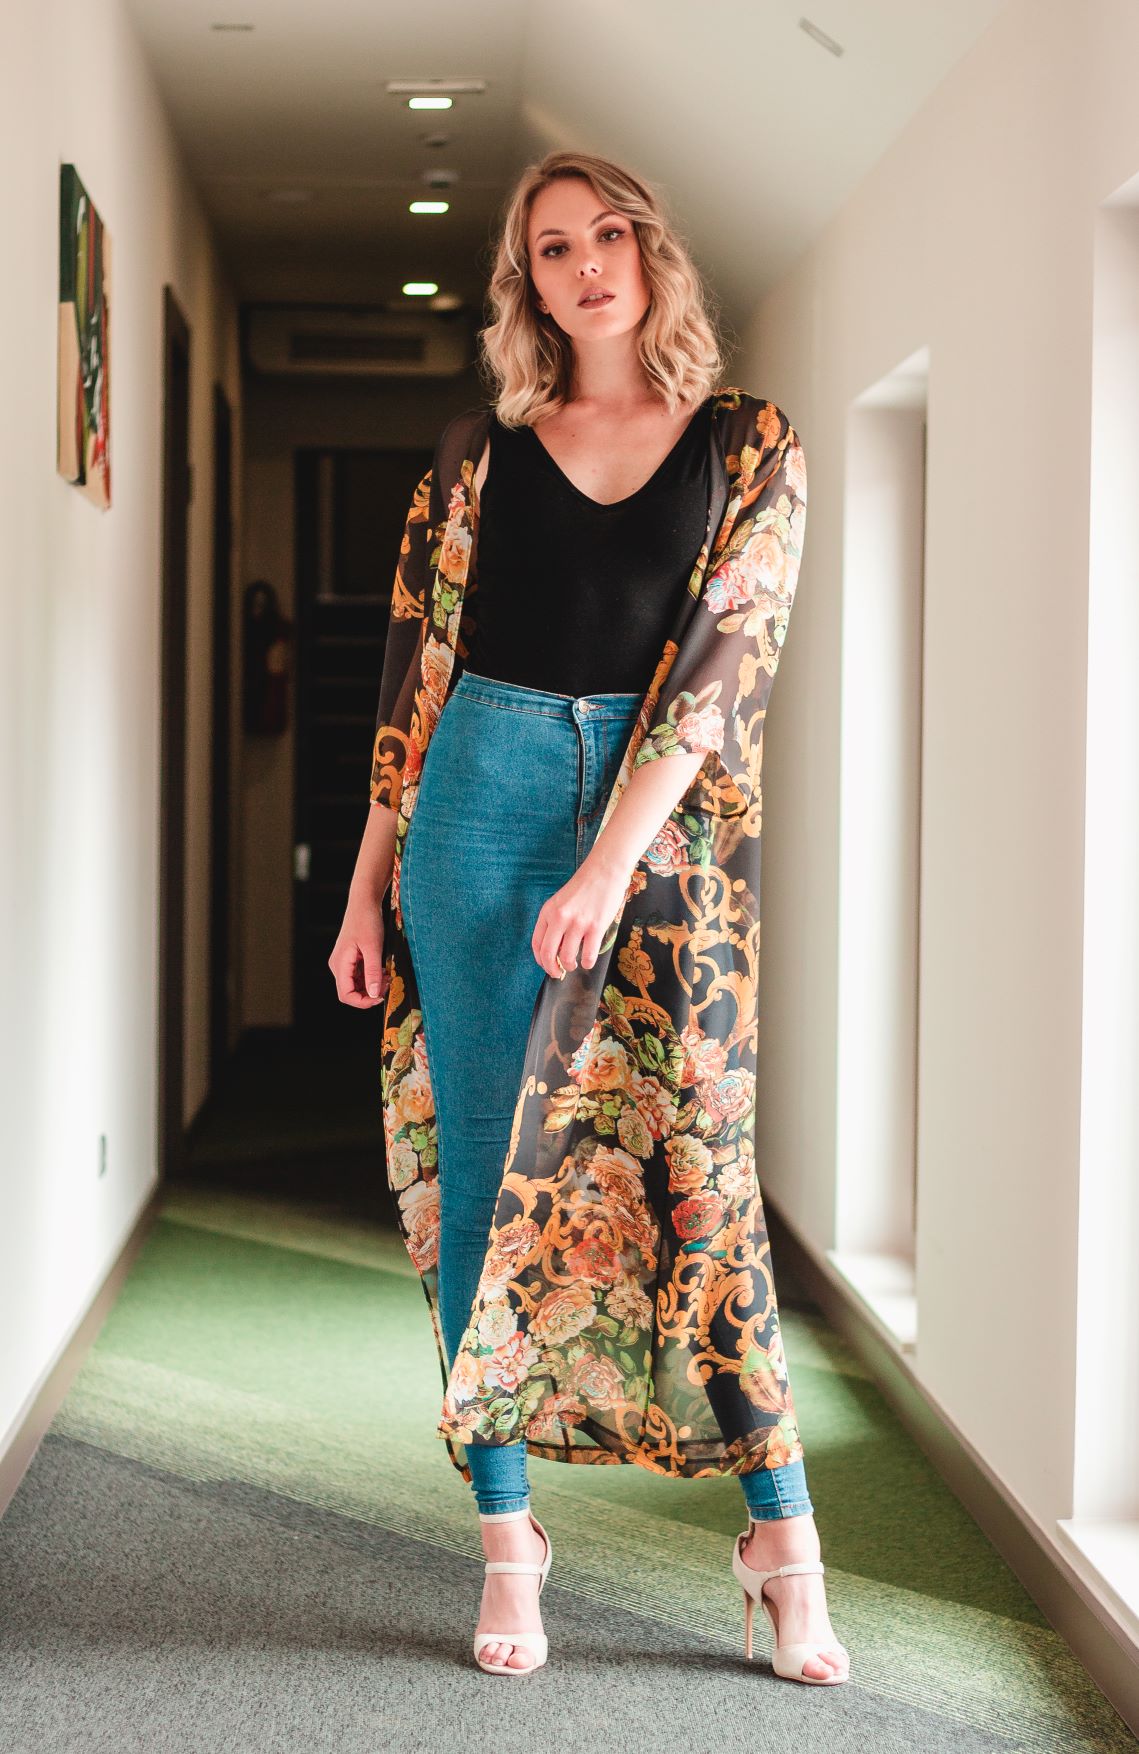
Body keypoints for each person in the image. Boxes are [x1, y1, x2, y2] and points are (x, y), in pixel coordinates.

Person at [329, 149, 850, 1686]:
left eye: (607, 232)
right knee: (486, 1181)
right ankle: (509, 1540)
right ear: (529, 286)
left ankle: (781, 1538)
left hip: (663, 814)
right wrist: (365, 882)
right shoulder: (475, 457)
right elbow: (414, 672)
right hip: (477, 798)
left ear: (650, 251)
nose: (586, 263)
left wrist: (613, 860)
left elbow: (727, 665)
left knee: (702, 1169)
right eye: (552, 248)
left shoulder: (751, 442)